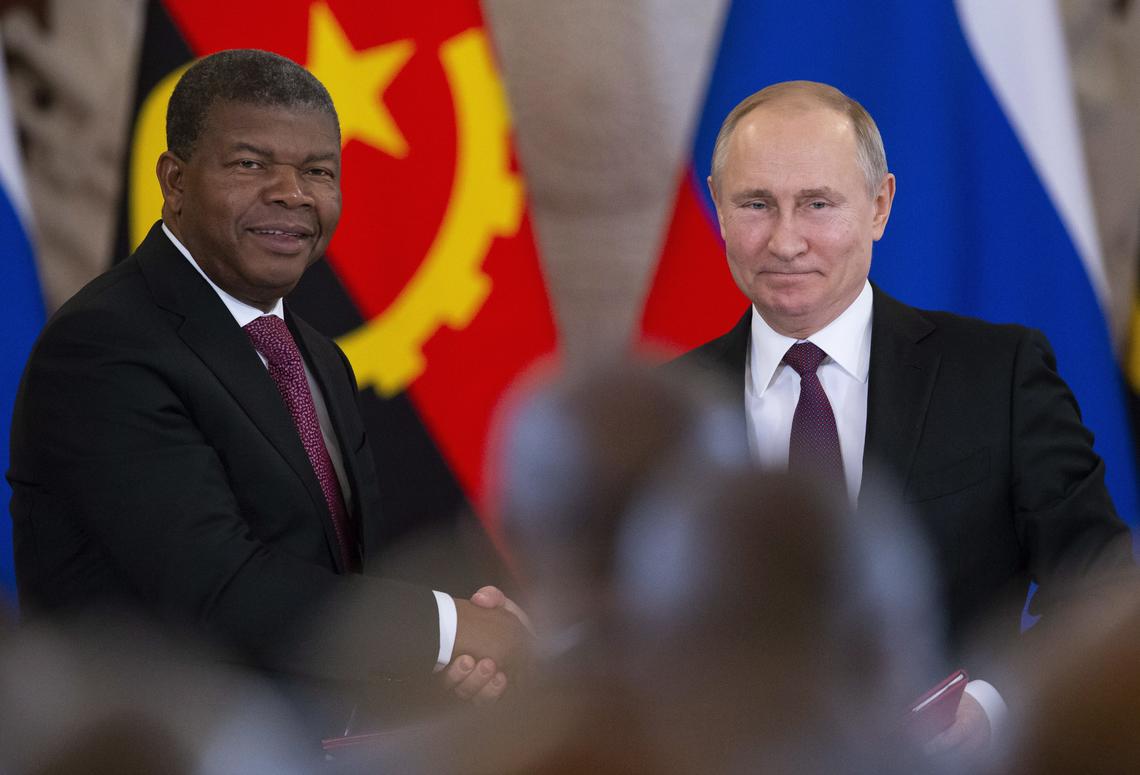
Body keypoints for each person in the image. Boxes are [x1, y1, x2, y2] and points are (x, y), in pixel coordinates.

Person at [6, 49, 529, 733]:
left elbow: (339, 582)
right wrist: (453, 625)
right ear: (174, 181)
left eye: (318, 170)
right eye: (251, 164)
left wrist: (446, 656)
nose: (293, 192)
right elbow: (222, 589)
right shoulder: (105, 347)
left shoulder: (317, 358)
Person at [675, 80, 1134, 753]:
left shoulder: (998, 373)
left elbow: (1104, 586)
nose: (785, 240)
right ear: (717, 205)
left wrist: (990, 705)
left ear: (880, 205)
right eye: (755, 204)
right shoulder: (674, 402)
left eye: (817, 204)